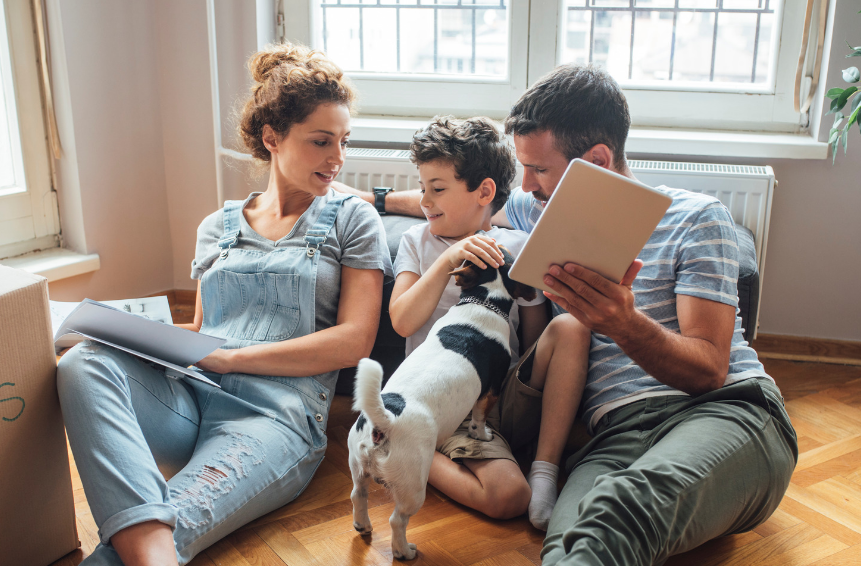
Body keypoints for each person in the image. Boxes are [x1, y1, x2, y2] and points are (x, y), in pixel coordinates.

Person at [339, 64, 797, 565]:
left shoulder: (698, 217)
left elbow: (709, 370)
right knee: (569, 543)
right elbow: (455, 200)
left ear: (596, 160)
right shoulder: (532, 210)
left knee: (617, 512)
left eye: (539, 169)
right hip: (612, 436)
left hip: (723, 411)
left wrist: (624, 323)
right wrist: (367, 199)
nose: (526, 184)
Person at [57, 43, 392, 566]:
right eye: (322, 141)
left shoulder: (353, 220)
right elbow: (199, 329)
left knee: (143, 543)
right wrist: (143, 336)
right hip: (187, 399)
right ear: (272, 138)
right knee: (82, 363)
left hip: (273, 420)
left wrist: (229, 358)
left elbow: (355, 342)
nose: (338, 158)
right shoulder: (216, 226)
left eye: (343, 142)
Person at [388, 116, 592, 529]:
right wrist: (449, 257)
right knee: (508, 497)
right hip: (445, 402)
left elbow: (533, 339)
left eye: (437, 189)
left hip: (503, 394)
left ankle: (546, 468)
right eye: (423, 187)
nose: (424, 201)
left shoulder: (517, 247)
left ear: (484, 192)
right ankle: (402, 445)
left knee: (572, 327)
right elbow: (403, 321)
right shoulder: (418, 243)